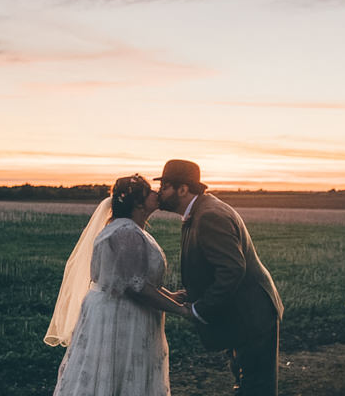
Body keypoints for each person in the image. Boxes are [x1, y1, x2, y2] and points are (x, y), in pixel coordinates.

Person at [44, 174, 189, 396]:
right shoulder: (126, 233)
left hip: (123, 312)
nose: (156, 193)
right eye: (149, 191)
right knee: (116, 375)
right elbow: (135, 287)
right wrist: (180, 310)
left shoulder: (130, 230)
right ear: (138, 202)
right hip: (120, 318)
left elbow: (129, 276)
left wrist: (170, 295)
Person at [156, 160, 284, 396]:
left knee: (256, 387)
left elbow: (232, 270)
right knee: (247, 381)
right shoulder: (202, 209)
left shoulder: (209, 215)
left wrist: (199, 309)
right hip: (240, 312)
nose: (159, 192)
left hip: (252, 314)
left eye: (164, 186)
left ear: (183, 189)